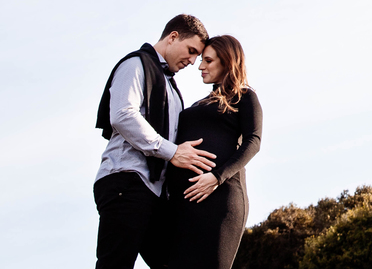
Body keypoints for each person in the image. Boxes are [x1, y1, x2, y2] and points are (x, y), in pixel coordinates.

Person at [94, 14, 218, 269]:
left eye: (198, 56)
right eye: (191, 50)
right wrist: (172, 152)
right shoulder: (135, 65)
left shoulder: (172, 88)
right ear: (173, 37)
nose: (193, 61)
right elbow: (122, 115)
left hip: (155, 193)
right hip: (126, 182)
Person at [167, 34, 263, 269]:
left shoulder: (244, 96)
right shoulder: (196, 105)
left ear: (227, 60)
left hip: (221, 200)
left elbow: (254, 142)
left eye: (208, 61)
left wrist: (216, 178)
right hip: (183, 204)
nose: (200, 66)